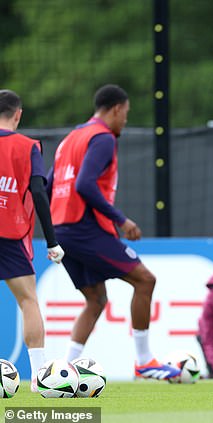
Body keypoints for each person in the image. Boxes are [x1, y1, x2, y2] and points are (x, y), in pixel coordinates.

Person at [48, 84, 179, 380]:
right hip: (84, 228)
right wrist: (121, 220)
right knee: (145, 280)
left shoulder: (70, 138)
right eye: (126, 114)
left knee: (95, 300)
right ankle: (145, 361)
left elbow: (47, 185)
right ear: (117, 109)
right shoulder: (103, 138)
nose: (125, 121)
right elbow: (84, 184)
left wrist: (48, 230)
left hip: (61, 231)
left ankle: (64, 370)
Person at [0, 89, 65, 392]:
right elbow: (39, 193)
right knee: (28, 301)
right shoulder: (27, 147)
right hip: (10, 234)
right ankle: (41, 378)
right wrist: (51, 241)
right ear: (18, 114)